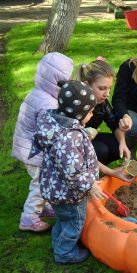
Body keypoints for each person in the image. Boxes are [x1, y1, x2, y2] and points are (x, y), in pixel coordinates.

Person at [29, 80, 105, 264]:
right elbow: (73, 172)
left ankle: (57, 243)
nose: (92, 113)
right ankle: (65, 253)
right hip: (68, 194)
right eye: (90, 111)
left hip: (54, 188)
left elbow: (66, 150)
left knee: (63, 220)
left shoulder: (58, 125)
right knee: (74, 222)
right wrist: (90, 184)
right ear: (79, 113)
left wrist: (83, 134)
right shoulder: (68, 138)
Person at [12, 52, 74, 232]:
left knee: (41, 181)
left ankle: (43, 207)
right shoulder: (48, 104)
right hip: (34, 151)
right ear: (56, 82)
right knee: (40, 183)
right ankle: (29, 218)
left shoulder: (36, 93)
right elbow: (48, 133)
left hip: (26, 147)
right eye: (65, 81)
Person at [75, 57, 136, 182]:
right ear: (87, 85)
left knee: (119, 142)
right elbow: (77, 149)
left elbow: (114, 124)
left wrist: (123, 144)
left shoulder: (103, 103)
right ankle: (89, 175)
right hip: (76, 147)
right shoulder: (77, 106)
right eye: (102, 88)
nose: (107, 94)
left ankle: (95, 169)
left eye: (109, 88)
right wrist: (112, 173)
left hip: (89, 139)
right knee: (101, 150)